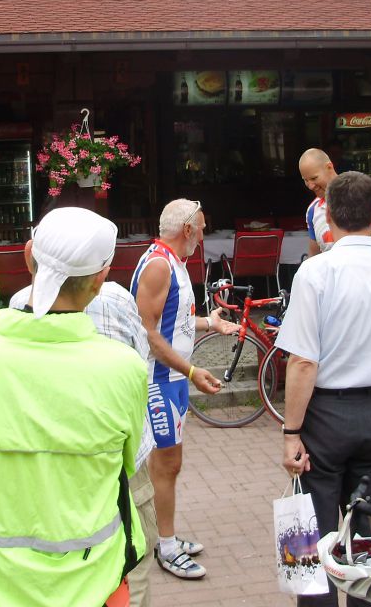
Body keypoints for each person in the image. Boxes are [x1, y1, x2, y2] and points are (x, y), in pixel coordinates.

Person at [0, 207, 148, 607]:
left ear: (28, 255)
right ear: (101, 280)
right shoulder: (125, 368)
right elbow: (127, 461)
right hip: (97, 582)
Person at [279, 171, 371, 607]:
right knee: (368, 542)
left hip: (325, 414)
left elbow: (303, 361)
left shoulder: (316, 272)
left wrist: (291, 431)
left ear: (329, 214)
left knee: (316, 540)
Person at [10, 279, 157, 607]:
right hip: (120, 459)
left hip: (46, 460)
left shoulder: (20, 301)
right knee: (131, 564)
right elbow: (141, 364)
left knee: (53, 567)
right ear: (101, 268)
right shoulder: (116, 298)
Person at [130, 198, 237, 580]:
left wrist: (210, 322)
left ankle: (164, 537)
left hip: (171, 379)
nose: (204, 234)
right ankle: (167, 546)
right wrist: (192, 371)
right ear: (188, 230)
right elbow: (147, 332)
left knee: (167, 465)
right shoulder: (159, 265)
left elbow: (175, 320)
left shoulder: (172, 261)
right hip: (160, 380)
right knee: (165, 465)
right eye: (203, 228)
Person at [298, 148, 338, 256]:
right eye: (306, 180)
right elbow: (313, 256)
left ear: (329, 167)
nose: (310, 186)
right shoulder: (313, 210)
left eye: (314, 178)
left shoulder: (360, 197)